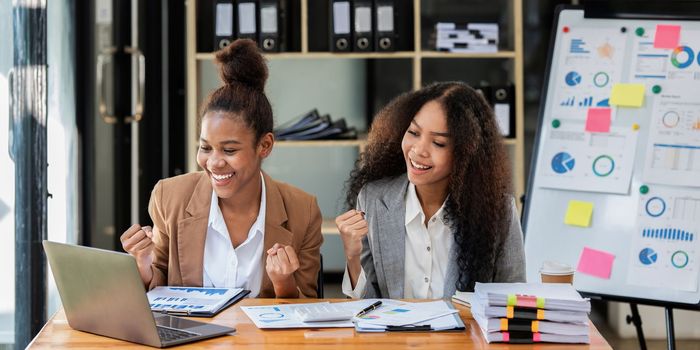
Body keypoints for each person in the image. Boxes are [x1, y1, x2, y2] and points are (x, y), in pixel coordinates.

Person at [120, 39, 323, 298]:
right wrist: (142, 263)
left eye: (229, 150)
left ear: (265, 145)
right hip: (192, 338)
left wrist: (283, 282)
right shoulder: (169, 197)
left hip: (261, 340)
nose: (214, 162)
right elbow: (158, 284)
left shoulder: (302, 211)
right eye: (206, 148)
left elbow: (308, 307)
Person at [336, 82, 525, 299]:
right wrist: (352, 258)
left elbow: (513, 300)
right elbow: (368, 307)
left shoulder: (499, 211)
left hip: (464, 333)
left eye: (438, 143)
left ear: (465, 153)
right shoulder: (373, 199)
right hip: (395, 333)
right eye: (414, 132)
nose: (418, 150)